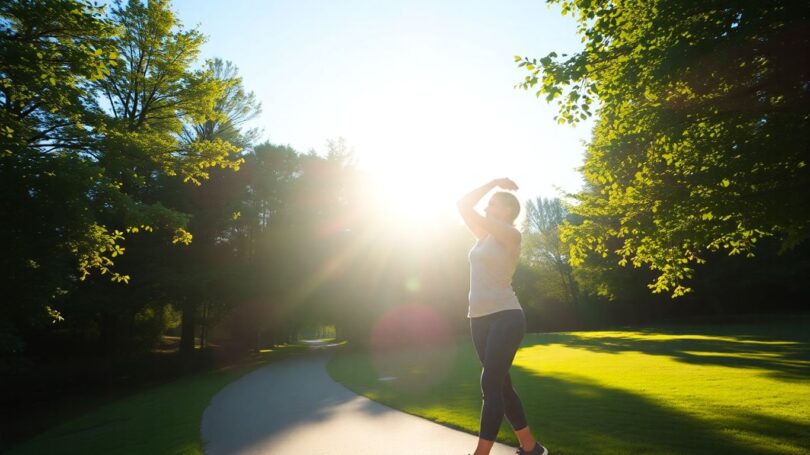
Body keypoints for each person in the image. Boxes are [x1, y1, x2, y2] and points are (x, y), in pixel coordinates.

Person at [457, 178, 548, 455]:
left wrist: (492, 197)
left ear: (507, 212)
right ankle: (531, 447)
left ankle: (480, 453)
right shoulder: (483, 236)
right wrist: (493, 183)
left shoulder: (511, 235)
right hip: (478, 318)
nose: (486, 206)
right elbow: (462, 204)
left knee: (490, 382)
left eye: (493, 203)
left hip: (506, 316)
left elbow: (469, 210)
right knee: (501, 386)